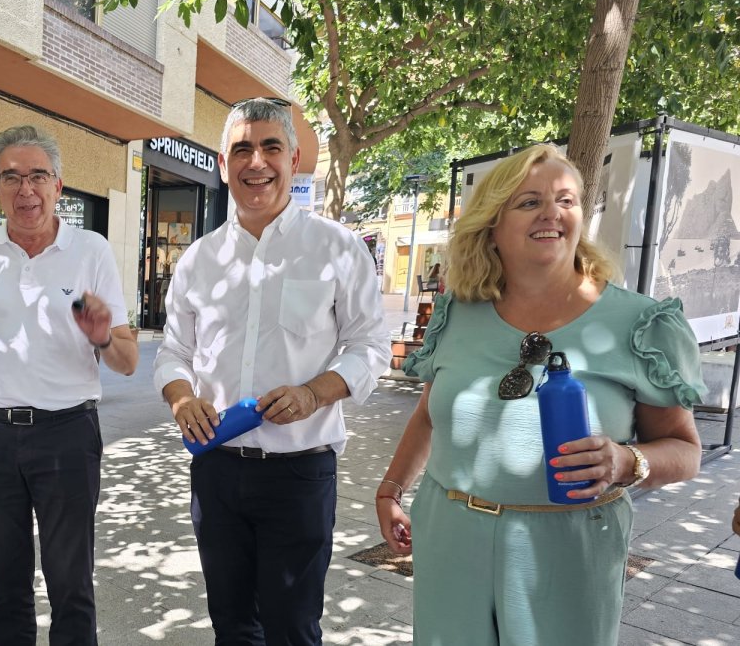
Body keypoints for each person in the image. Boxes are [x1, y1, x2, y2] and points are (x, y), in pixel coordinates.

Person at [375, 144, 705, 645]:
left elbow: (685, 450)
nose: (551, 212)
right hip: (450, 534)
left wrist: (624, 461)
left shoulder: (640, 324)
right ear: (492, 223)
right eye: (529, 202)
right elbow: (430, 413)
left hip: (568, 546)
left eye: (566, 200)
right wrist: (391, 489)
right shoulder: (459, 311)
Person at [154, 97, 390, 644]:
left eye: (270, 147)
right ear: (222, 162)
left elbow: (370, 345)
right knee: (232, 625)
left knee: (292, 627)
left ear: (295, 158)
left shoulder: (338, 248)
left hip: (299, 473)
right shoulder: (198, 261)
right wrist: (181, 400)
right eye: (241, 149)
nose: (255, 161)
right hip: (216, 472)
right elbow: (172, 353)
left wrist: (314, 393)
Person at [0, 125, 138, 645]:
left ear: (59, 184)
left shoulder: (91, 250)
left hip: (67, 434)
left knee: (70, 584)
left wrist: (103, 336)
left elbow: (126, 361)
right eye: (10, 177)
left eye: (38, 175)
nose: (25, 189)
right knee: (7, 587)